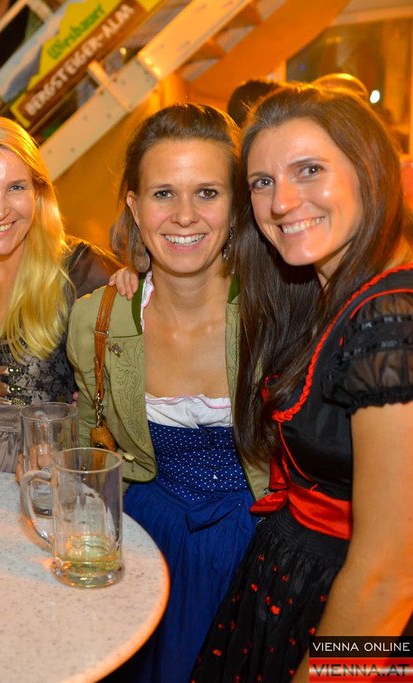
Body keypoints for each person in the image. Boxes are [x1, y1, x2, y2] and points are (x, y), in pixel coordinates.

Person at [192, 84, 413, 681]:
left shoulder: (392, 319)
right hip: (293, 591)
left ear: (369, 170)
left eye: (309, 170)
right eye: (262, 182)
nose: (282, 202)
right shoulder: (323, 294)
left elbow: (391, 576)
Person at [67, 104, 267, 682]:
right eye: (163, 194)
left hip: (257, 548)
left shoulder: (278, 310)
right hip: (145, 544)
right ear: (134, 206)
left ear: (237, 203)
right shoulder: (96, 321)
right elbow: (87, 451)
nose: (184, 216)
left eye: (207, 192)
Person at [0, 115, 119, 472]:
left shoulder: (81, 272)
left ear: (38, 193)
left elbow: (131, 385)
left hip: (49, 474)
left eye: (16, 187)